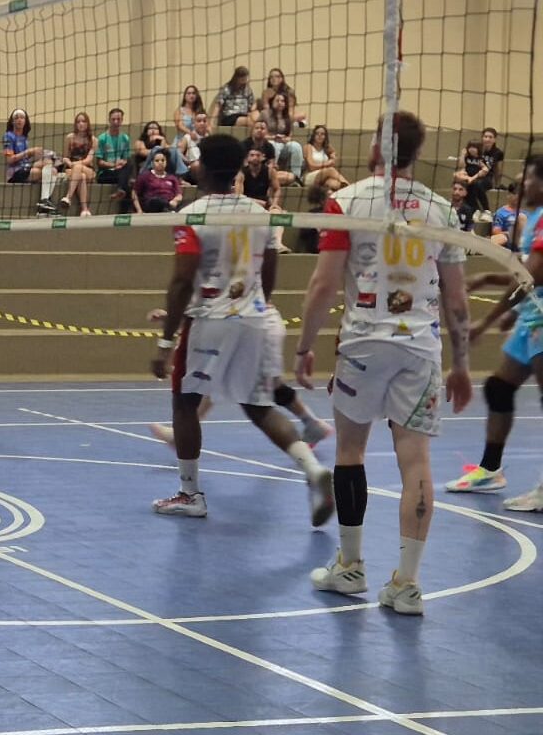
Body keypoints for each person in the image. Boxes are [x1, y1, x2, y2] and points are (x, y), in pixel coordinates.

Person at [297, 111, 473, 615]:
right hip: (420, 347)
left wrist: (304, 346)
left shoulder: (347, 202)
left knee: (350, 451)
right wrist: (461, 364)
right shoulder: (442, 210)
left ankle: (350, 566)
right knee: (415, 460)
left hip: (363, 345)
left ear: (378, 146)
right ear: (417, 151)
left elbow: (323, 285)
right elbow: (457, 302)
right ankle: (408, 584)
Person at [147, 134, 333, 522]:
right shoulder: (260, 212)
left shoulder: (193, 215)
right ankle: (314, 470)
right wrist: (251, 305)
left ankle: (190, 494)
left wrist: (165, 343)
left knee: (185, 402)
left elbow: (182, 281)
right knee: (258, 407)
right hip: (253, 318)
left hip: (209, 322)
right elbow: (270, 270)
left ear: (204, 167)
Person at [441, 154, 543, 511]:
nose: (523, 183)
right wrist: (488, 279)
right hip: (533, 318)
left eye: (529, 178)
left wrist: (487, 321)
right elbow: (528, 273)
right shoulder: (534, 219)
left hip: (541, 321)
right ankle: (489, 470)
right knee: (499, 388)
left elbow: (532, 277)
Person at [145, 307, 333, 449]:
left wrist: (172, 323)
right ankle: (312, 425)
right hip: (249, 325)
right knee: (257, 384)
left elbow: (208, 305)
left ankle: (311, 465)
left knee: (254, 402)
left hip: (255, 326)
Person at [57, 111, 96, 216]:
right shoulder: (70, 138)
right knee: (81, 177)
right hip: (71, 169)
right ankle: (84, 209)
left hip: (88, 169)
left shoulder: (93, 140)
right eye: (78, 122)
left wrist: (75, 164)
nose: (81, 124)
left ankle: (68, 197)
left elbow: (89, 160)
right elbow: (65, 157)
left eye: (83, 121)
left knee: (80, 170)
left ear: (87, 123)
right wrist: (70, 163)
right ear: (75, 124)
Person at [94, 108, 131, 195]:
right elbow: (99, 162)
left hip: (120, 171)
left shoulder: (125, 138)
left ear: (122, 120)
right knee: (127, 180)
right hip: (105, 173)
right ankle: (121, 190)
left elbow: (125, 159)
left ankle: (120, 191)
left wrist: (122, 163)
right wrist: (114, 165)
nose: (115, 122)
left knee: (129, 166)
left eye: (118, 119)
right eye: (113, 119)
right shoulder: (102, 138)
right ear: (109, 120)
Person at [235, 144, 283, 211]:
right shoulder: (241, 173)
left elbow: (277, 189)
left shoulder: (270, 171)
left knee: (276, 212)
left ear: (263, 157)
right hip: (246, 204)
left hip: (265, 203)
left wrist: (274, 204)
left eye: (258, 155)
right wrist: (257, 202)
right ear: (247, 158)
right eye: (252, 155)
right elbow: (239, 196)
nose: (255, 158)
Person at [2, 109, 43, 185]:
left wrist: (34, 154)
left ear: (25, 121)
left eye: (22, 117)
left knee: (48, 165)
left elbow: (25, 158)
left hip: (26, 167)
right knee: (43, 173)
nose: (19, 120)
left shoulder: (24, 137)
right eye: (16, 118)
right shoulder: (8, 136)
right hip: (15, 172)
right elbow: (9, 159)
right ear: (12, 121)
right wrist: (28, 152)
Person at [301, 125, 347, 192]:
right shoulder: (308, 147)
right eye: (317, 133)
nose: (319, 135)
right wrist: (328, 163)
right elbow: (311, 166)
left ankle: (345, 192)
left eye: (322, 134)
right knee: (331, 169)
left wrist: (333, 155)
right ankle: (351, 188)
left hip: (323, 178)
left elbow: (334, 153)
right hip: (310, 177)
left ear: (325, 137)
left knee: (335, 184)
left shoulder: (326, 148)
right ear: (313, 135)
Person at [472, 127, 505, 211]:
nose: (487, 139)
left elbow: (497, 169)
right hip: (474, 175)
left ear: (494, 139)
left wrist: (497, 184)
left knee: (478, 185)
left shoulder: (498, 153)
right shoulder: (476, 149)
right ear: (482, 138)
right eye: (485, 136)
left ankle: (486, 210)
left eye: (490, 137)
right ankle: (475, 209)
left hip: (487, 178)